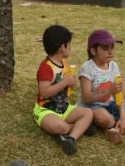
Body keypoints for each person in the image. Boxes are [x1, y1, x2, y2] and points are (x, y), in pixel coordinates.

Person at [77, 29, 125, 145]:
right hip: (94, 106)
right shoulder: (87, 68)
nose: (110, 52)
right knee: (104, 118)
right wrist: (109, 90)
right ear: (93, 51)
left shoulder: (114, 66)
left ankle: (116, 129)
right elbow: (86, 98)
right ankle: (122, 126)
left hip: (112, 104)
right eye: (105, 49)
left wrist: (124, 116)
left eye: (112, 47)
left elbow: (118, 93)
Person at [34, 25, 94, 155]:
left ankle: (71, 138)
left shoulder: (64, 63)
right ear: (62, 48)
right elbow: (44, 92)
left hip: (64, 107)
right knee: (58, 126)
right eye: (69, 45)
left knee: (88, 113)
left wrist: (70, 83)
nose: (70, 48)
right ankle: (76, 129)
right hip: (47, 110)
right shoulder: (46, 67)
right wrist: (64, 82)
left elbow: (66, 86)